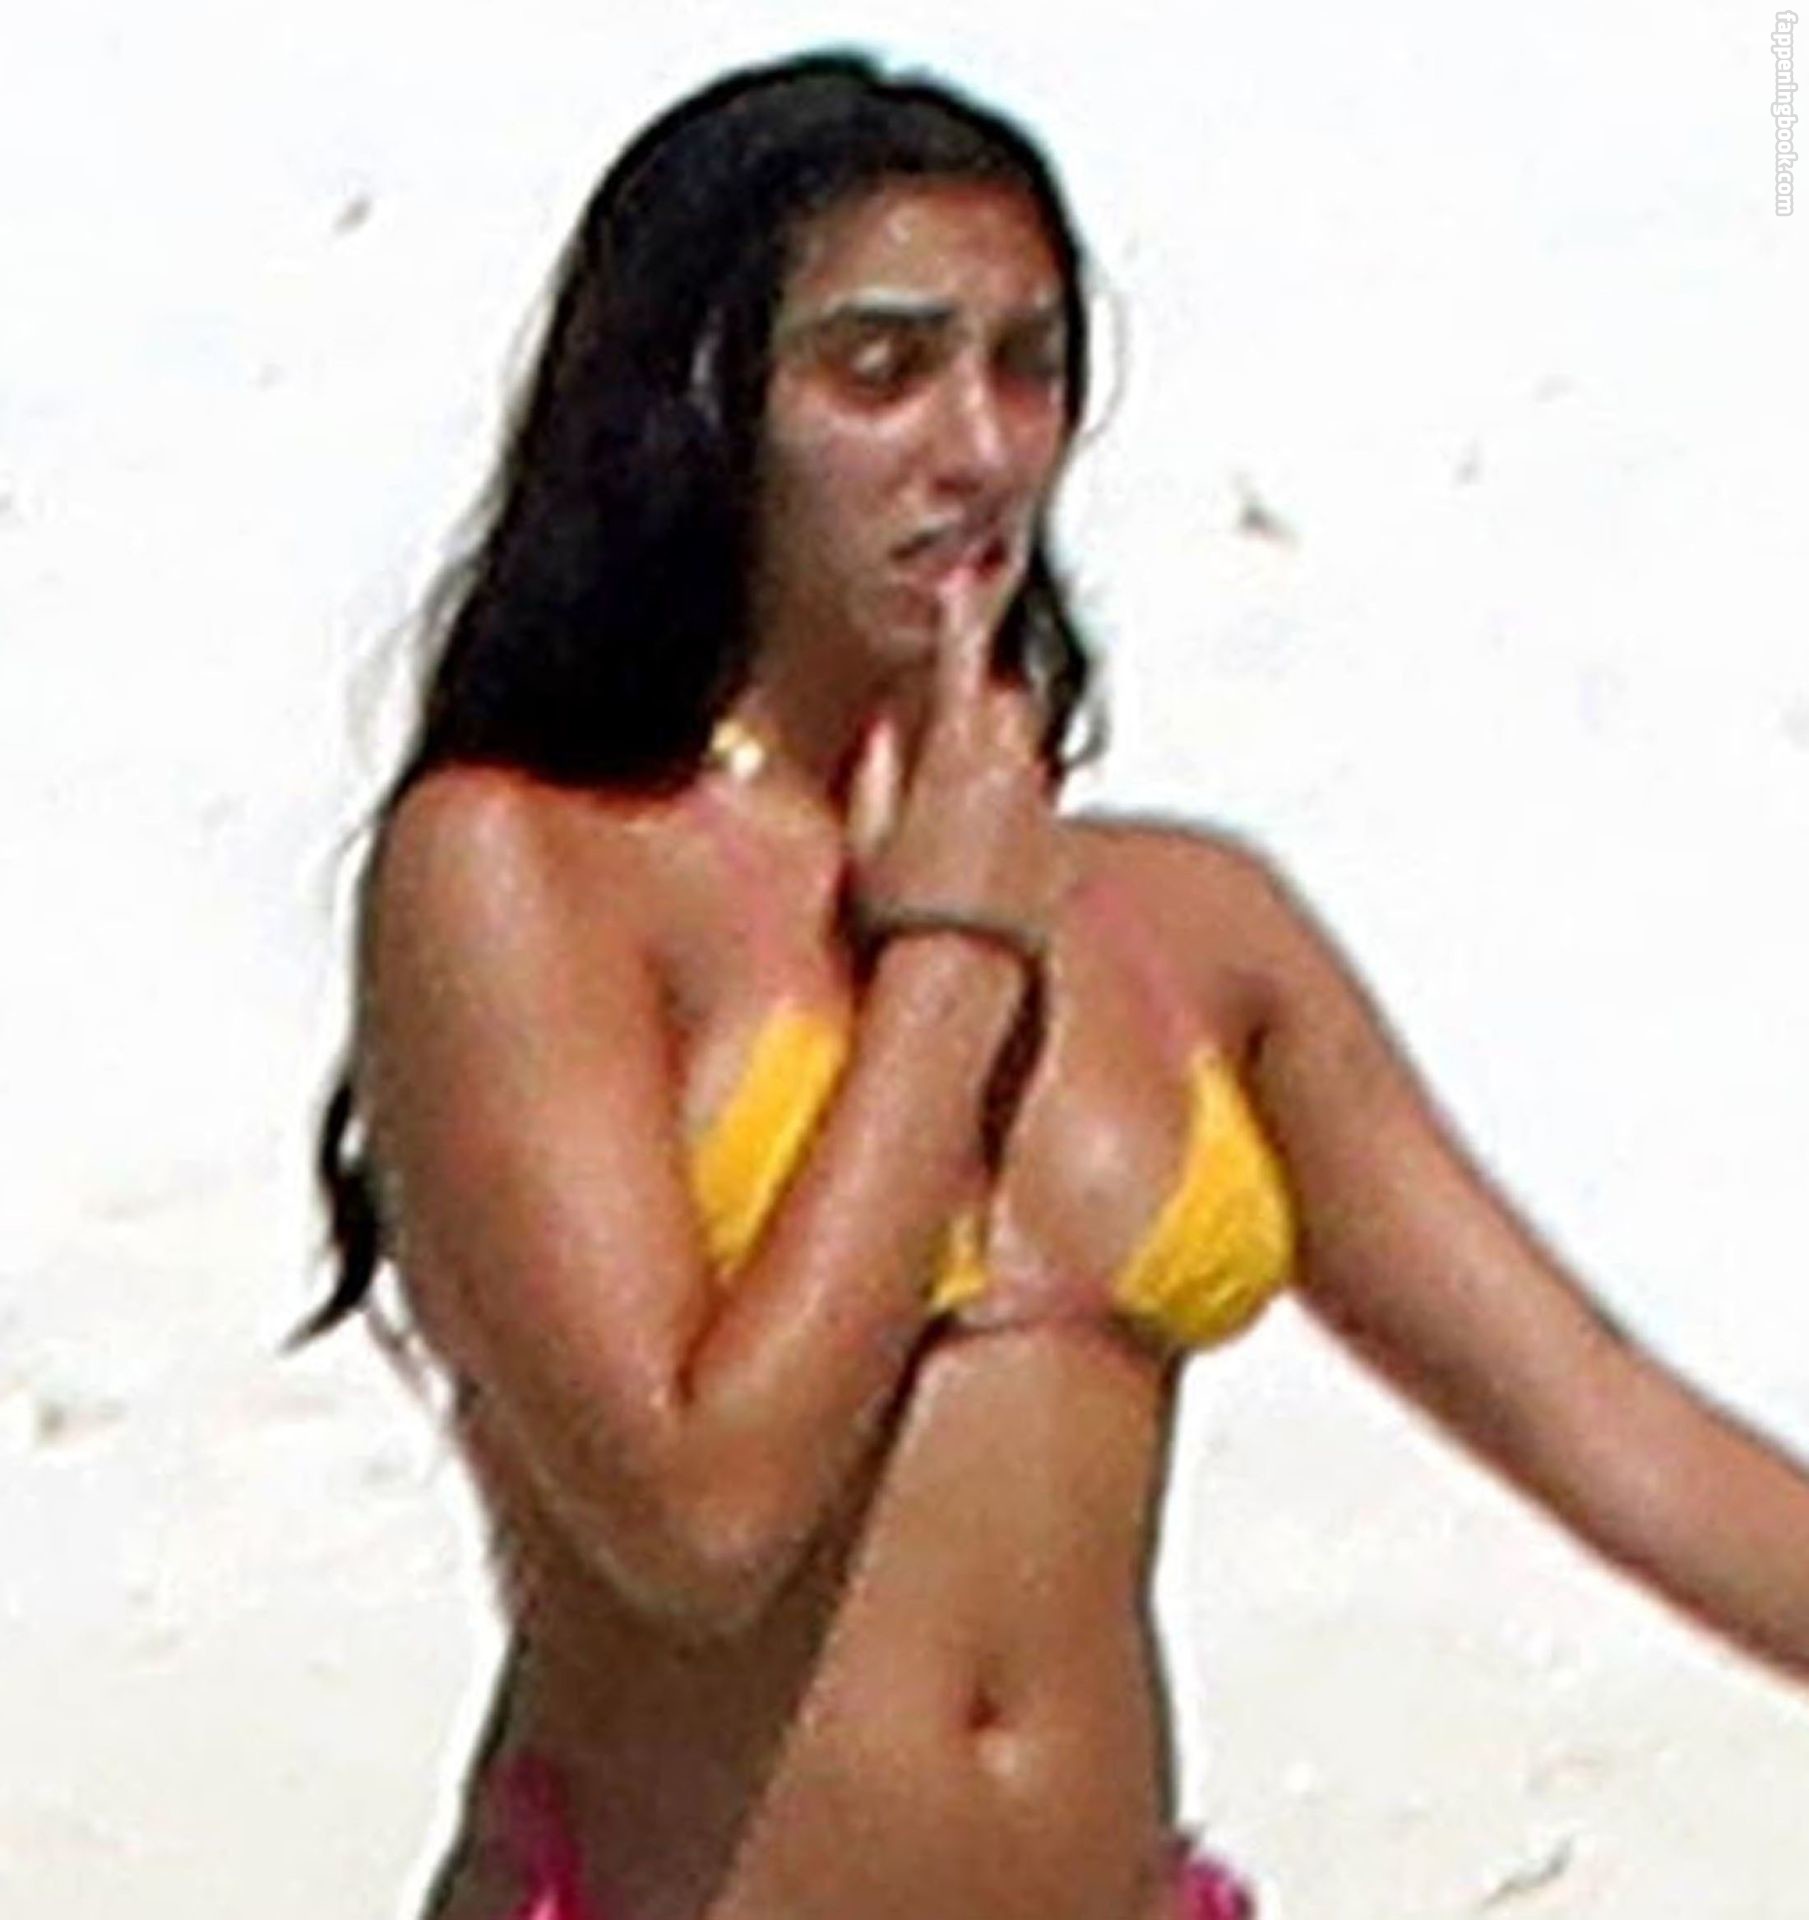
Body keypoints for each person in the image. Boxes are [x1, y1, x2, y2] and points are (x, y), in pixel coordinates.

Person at [303, 50, 1809, 1920]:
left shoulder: (1191, 926)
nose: (977, 447)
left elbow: (1602, 1420)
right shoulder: (527, 873)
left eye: (1027, 366)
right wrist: (945, 966)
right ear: (698, 408)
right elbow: (698, 1516)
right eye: (880, 369)